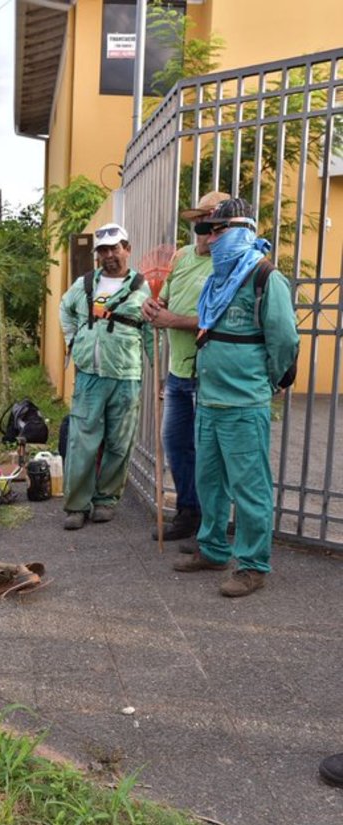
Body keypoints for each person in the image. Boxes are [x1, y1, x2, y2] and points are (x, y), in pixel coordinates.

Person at [173, 198, 299, 597]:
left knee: (250, 486)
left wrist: (271, 380)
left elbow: (284, 339)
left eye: (216, 230)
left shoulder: (264, 277)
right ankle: (212, 548)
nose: (209, 238)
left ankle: (252, 565)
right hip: (209, 398)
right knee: (209, 480)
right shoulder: (217, 280)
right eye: (207, 231)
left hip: (244, 402)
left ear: (240, 231)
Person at [142, 191, 230, 542]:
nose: (204, 230)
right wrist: (153, 307)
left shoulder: (227, 264)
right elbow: (164, 298)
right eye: (199, 223)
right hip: (178, 371)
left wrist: (172, 319)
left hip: (205, 373)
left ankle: (212, 525)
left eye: (211, 223)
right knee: (175, 442)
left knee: (209, 452)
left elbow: (220, 321)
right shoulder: (180, 257)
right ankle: (188, 511)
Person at [59, 222, 154, 530]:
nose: (109, 255)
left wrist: (159, 368)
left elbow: (151, 330)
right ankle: (77, 505)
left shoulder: (142, 287)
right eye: (103, 250)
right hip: (89, 374)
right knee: (82, 440)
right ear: (97, 255)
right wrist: (73, 340)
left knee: (119, 441)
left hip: (126, 375)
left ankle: (105, 500)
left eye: (115, 248)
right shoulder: (85, 283)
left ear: (127, 249)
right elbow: (65, 309)